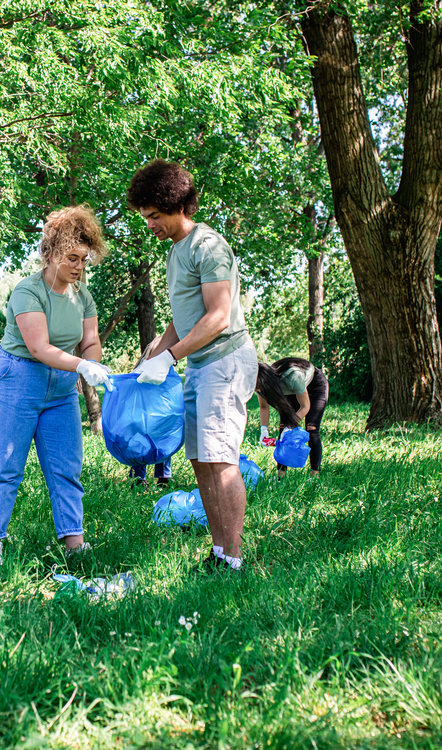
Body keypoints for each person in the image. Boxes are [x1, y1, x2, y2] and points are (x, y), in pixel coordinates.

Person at [127, 159, 258, 572]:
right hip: (200, 366)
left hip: (225, 361)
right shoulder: (175, 251)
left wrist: (171, 356)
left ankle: (234, 559)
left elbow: (218, 315)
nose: (150, 224)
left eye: (155, 216)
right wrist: (157, 347)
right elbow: (185, 314)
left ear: (177, 205)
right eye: (145, 217)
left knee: (221, 462)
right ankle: (218, 551)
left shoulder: (208, 246)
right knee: (201, 461)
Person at [0, 205, 112, 568]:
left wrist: (93, 361)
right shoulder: (28, 291)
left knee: (66, 467)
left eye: (84, 260)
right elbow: (39, 348)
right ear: (51, 253)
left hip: (61, 388)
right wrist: (82, 364)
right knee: (6, 467)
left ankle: (74, 545)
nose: (78, 267)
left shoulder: (82, 296)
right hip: (18, 378)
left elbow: (89, 341)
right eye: (72, 258)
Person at [256, 357, 329, 478]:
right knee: (283, 428)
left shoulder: (292, 377)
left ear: (266, 381)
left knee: (312, 427)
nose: (256, 390)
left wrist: (291, 425)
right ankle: (281, 476)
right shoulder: (259, 384)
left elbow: (305, 406)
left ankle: (314, 475)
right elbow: (264, 407)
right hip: (291, 392)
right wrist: (264, 429)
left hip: (315, 386)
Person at [128, 336, 173, 489]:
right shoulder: (154, 369)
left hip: (149, 415)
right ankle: (154, 478)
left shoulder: (144, 368)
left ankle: (149, 478)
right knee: (154, 444)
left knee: (150, 444)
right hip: (149, 415)